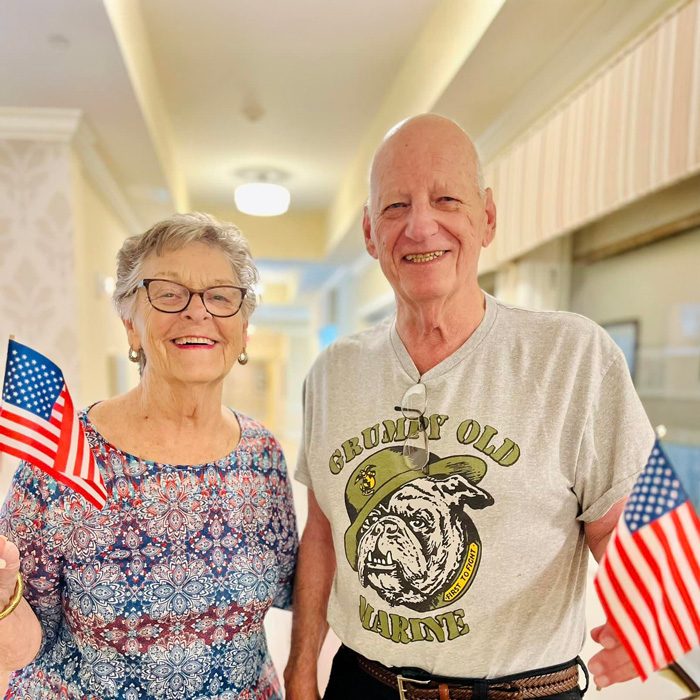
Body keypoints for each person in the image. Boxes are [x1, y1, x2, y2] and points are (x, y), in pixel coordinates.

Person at [284, 114, 654, 700]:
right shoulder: (334, 372)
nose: (420, 225)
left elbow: (617, 525)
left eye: (446, 199)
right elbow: (325, 533)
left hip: (520, 691)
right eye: (395, 206)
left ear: (487, 218)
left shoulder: (573, 356)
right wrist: (301, 665)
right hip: (363, 685)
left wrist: (656, 611)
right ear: (369, 233)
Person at [0, 212, 298, 699]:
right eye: (168, 293)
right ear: (131, 325)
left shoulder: (263, 456)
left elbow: (287, 589)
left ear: (243, 331)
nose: (197, 312)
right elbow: (19, 650)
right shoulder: (60, 458)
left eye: (221, 296)